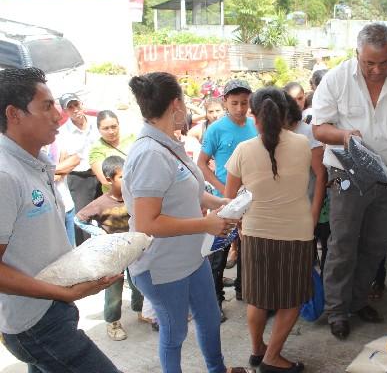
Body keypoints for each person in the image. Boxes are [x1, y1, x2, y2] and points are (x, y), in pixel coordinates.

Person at [123, 72, 250, 373]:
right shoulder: (150, 154)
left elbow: (188, 191)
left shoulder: (169, 143)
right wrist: (205, 225)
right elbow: (147, 222)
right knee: (174, 332)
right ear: (176, 104)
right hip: (162, 265)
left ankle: (217, 369)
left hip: (191, 256)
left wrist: (219, 204)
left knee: (208, 318)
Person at [0, 67, 121, 372]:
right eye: (46, 106)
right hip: (35, 322)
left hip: (54, 309)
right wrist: (65, 292)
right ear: (14, 114)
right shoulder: (5, 174)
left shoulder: (35, 161)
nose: (58, 116)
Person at [312, 23, 387, 340]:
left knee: (375, 244)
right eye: (369, 63)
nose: (377, 70)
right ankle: (336, 310)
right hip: (347, 172)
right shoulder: (336, 79)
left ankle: (358, 301)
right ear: (357, 54)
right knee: (343, 242)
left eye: (384, 62)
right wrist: (343, 135)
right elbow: (319, 128)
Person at [225, 87, 313, 373]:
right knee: (292, 298)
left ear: (254, 116)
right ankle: (273, 356)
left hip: (255, 233)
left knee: (258, 298)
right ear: (285, 112)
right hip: (296, 233)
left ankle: (257, 350)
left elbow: (231, 199)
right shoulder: (302, 144)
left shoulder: (243, 150)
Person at [198, 79, 257, 320]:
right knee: (219, 252)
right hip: (225, 201)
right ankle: (215, 301)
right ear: (225, 103)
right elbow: (201, 164)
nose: (240, 108)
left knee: (248, 249)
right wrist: (223, 189)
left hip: (251, 199)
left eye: (244, 103)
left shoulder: (255, 126)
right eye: (234, 103)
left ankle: (245, 291)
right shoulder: (216, 129)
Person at [75, 156, 145, 341]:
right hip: (113, 253)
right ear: (108, 180)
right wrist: (98, 232)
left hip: (133, 248)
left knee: (138, 281)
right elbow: (79, 219)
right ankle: (113, 322)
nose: (127, 180)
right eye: (122, 177)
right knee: (114, 287)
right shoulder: (101, 203)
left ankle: (140, 310)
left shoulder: (133, 197)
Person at [284, 85, 329, 271]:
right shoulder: (277, 133)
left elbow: (320, 175)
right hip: (291, 210)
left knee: (320, 258)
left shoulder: (308, 132)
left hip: (313, 206)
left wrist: (314, 213)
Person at [57, 92, 100, 245]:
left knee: (108, 216)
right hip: (80, 178)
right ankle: (86, 260)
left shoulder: (97, 123)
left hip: (102, 174)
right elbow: (65, 160)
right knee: (82, 220)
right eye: (70, 107)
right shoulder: (62, 133)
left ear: (82, 104)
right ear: (65, 111)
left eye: (76, 104)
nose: (75, 109)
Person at [89, 110, 136, 194]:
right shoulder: (96, 150)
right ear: (98, 129)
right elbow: (105, 180)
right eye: (105, 128)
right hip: (118, 197)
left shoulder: (132, 138)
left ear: (119, 125)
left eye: (114, 126)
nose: (111, 131)